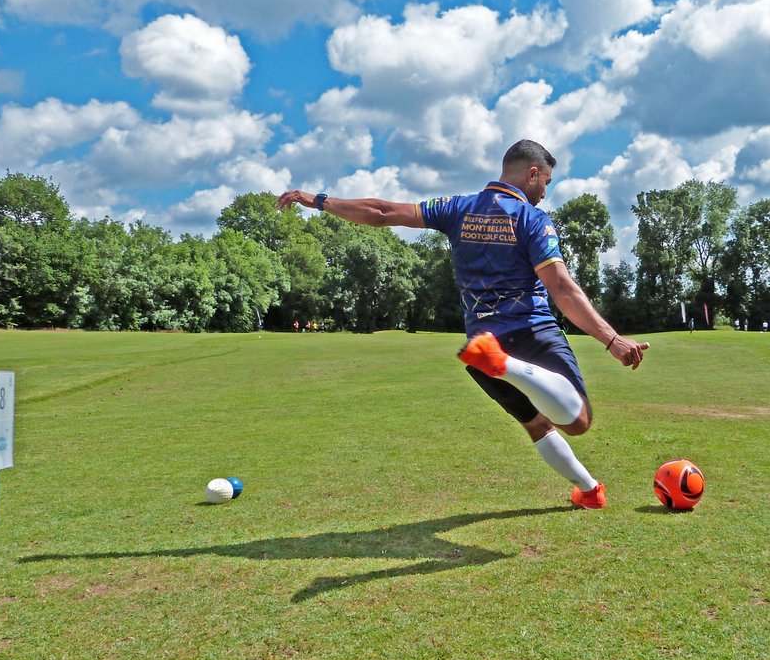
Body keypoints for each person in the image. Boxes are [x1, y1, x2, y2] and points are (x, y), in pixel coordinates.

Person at [276, 139, 648, 509]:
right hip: (531, 333)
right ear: (532, 173)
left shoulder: (457, 208)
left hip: (480, 342)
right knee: (578, 421)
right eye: (545, 183)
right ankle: (507, 365)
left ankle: (588, 490)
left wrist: (318, 201)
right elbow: (562, 289)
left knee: (536, 424)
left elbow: (382, 212)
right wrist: (611, 339)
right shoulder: (532, 219)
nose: (544, 193)